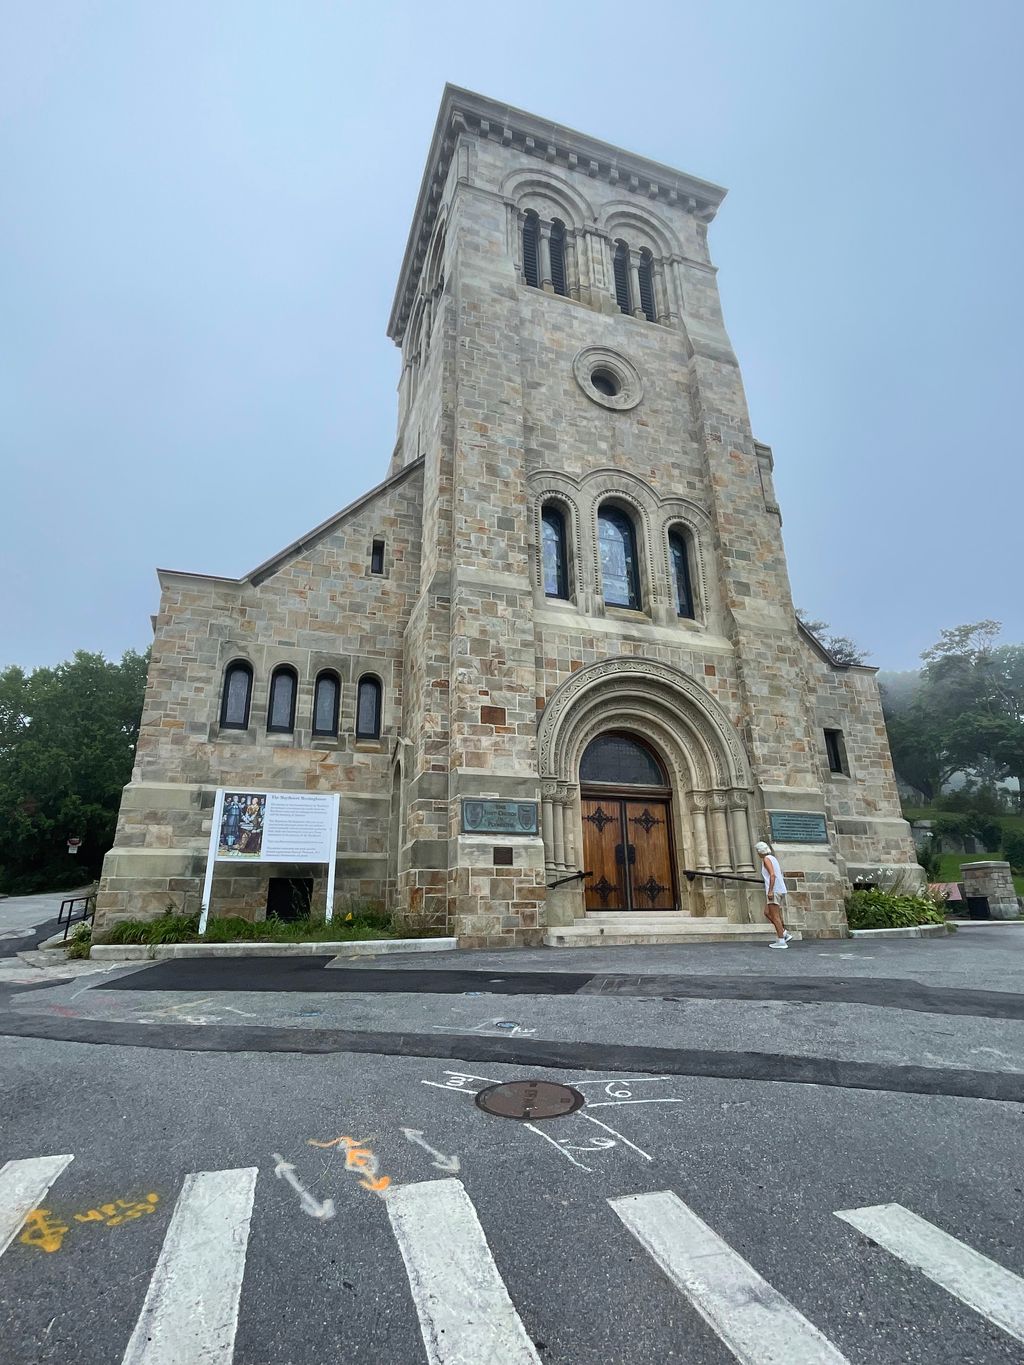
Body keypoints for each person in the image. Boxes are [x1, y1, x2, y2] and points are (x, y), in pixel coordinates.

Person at [755, 840, 793, 948]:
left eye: (757, 851)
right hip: (778, 889)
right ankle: (784, 933)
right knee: (767, 912)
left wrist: (770, 890)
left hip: (774, 890)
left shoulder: (766, 859)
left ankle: (781, 941)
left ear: (760, 851)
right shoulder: (772, 858)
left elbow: (772, 875)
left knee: (775, 916)